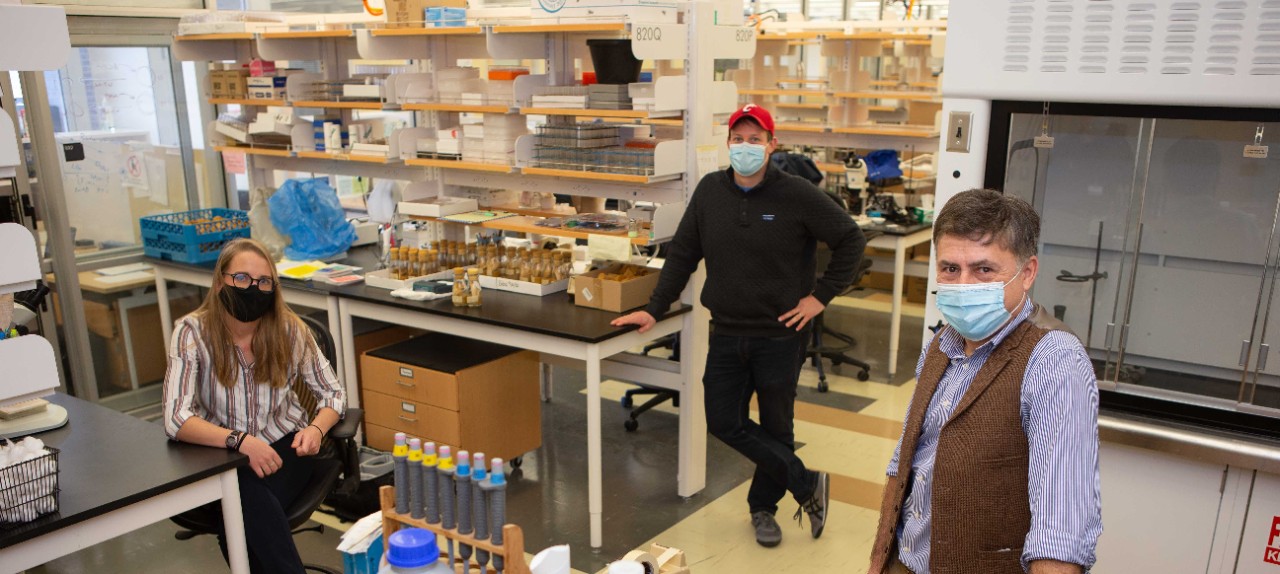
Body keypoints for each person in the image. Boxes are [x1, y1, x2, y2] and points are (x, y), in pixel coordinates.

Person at [612, 104, 867, 548]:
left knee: (776, 427)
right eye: (737, 138)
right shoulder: (711, 191)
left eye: (755, 139)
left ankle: (762, 509)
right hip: (727, 331)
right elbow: (684, 254)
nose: (745, 147)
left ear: (772, 144)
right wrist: (655, 307)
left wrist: (819, 297)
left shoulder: (798, 194)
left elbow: (851, 239)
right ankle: (805, 483)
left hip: (781, 335)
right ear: (727, 143)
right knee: (723, 421)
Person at [868, 189, 1102, 574]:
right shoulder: (941, 344)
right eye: (949, 269)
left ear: (1027, 273)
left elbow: (1061, 531)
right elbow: (909, 461)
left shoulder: (1053, 361)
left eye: (984, 270)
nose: (962, 286)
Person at [163, 238, 346, 573]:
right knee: (239, 491)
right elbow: (175, 418)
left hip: (284, 447)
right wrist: (241, 442)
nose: (254, 288)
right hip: (219, 450)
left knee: (235, 506)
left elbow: (334, 395)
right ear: (221, 282)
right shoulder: (192, 333)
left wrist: (317, 429)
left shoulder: (290, 330)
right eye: (243, 279)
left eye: (264, 282)